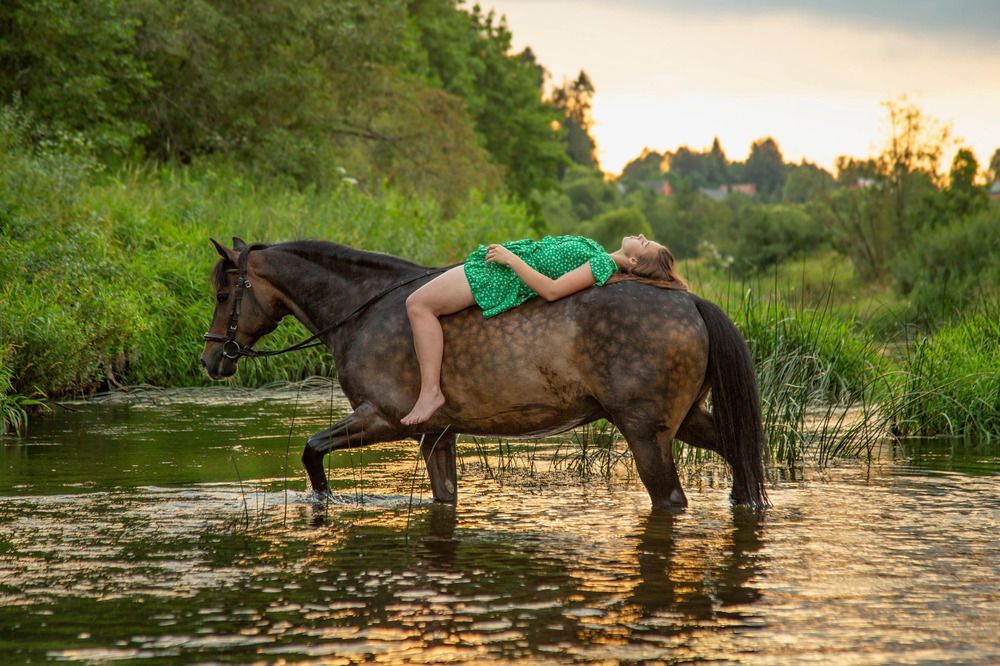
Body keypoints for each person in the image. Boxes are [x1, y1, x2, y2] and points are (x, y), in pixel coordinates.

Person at [400, 234, 688, 425]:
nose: (641, 236)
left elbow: (551, 290)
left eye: (646, 243)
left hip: (498, 277)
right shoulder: (601, 254)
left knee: (419, 304)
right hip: (495, 266)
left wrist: (510, 260)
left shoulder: (602, 263)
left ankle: (430, 392)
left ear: (635, 261)